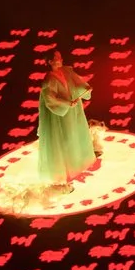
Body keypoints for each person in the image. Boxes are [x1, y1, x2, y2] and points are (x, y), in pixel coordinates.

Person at [34, 52, 100, 189]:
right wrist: (66, 103)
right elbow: (50, 98)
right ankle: (68, 167)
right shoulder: (49, 80)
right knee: (66, 137)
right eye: (57, 58)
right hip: (61, 114)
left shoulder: (67, 71)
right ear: (50, 62)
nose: (60, 59)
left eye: (60, 57)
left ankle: (81, 161)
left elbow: (76, 83)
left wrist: (85, 88)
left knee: (76, 132)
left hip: (73, 110)